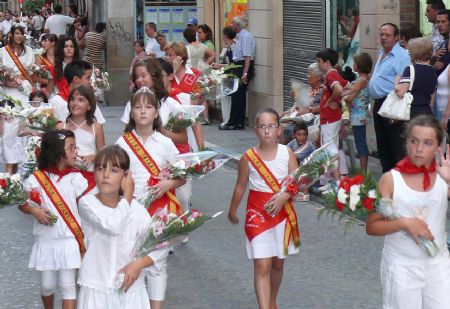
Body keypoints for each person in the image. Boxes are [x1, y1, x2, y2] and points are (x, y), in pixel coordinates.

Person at [366, 115, 450, 309]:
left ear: (438, 148)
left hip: (437, 264)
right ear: (406, 143)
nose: (419, 149)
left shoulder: (443, 177)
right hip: (401, 266)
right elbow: (372, 226)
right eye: (414, 141)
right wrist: (404, 223)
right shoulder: (390, 180)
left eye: (428, 143)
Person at [116, 89, 185, 309]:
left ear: (156, 113)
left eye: (148, 107)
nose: (143, 111)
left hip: (160, 209)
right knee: (134, 259)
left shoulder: (165, 143)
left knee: (158, 263)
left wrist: (168, 184)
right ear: (132, 113)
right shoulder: (123, 143)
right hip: (132, 209)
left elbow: (182, 175)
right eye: (138, 107)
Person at [77, 145, 168, 308]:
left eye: (114, 170)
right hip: (96, 287)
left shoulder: (138, 211)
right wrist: (127, 195)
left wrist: (138, 265)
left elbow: (160, 246)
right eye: (100, 168)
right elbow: (112, 226)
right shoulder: (88, 203)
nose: (105, 175)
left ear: (126, 176)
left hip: (131, 291)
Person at [228, 108, 300, 309]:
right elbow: (240, 185)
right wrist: (233, 209)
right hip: (257, 214)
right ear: (256, 130)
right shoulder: (248, 157)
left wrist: (284, 196)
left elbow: (297, 181)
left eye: (271, 126)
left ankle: (272, 299)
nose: (267, 131)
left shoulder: (287, 153)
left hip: (281, 214)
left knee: (277, 263)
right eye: (262, 127)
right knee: (262, 264)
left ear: (279, 130)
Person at [18, 129, 89, 309]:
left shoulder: (77, 177)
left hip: (68, 238)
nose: (76, 151)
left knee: (68, 286)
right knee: (47, 285)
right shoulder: (36, 179)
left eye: (75, 147)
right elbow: (23, 204)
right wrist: (35, 211)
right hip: (45, 239)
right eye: (71, 148)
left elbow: (87, 206)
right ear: (57, 151)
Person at [368, 22, 411, 173]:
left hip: (391, 105)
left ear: (397, 37)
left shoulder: (401, 56)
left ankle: (396, 184)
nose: (384, 38)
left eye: (388, 35)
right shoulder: (382, 52)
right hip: (379, 104)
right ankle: (387, 180)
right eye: (381, 34)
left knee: (394, 147)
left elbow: (405, 85)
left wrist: (396, 112)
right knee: (382, 146)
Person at [121, 58, 188, 149]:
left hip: (165, 156)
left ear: (155, 76)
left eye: (143, 76)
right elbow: (127, 132)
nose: (139, 80)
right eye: (136, 77)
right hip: (140, 156)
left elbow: (183, 138)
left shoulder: (172, 104)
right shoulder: (131, 103)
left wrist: (162, 131)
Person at [0, 25, 35, 175]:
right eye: (16, 33)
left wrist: (18, 80)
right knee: (8, 131)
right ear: (11, 35)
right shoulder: (2, 51)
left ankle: (21, 169)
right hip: (7, 94)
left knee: (22, 131)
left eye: (21, 33)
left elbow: (31, 72)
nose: (19, 36)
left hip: (23, 92)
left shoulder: (29, 52)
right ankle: (9, 170)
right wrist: (5, 80)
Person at [316, 48, 348, 184]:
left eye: (319, 61)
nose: (317, 64)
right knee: (331, 146)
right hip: (332, 117)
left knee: (330, 149)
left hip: (329, 117)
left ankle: (336, 180)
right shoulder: (334, 74)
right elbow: (348, 87)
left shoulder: (330, 75)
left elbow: (340, 89)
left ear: (327, 62)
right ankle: (331, 178)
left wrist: (330, 101)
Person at [56, 85, 105, 171]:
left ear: (89, 106)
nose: (75, 103)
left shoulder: (96, 127)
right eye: (72, 99)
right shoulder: (61, 127)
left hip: (89, 174)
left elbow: (104, 155)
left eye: (80, 100)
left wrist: (93, 157)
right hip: (67, 173)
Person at [220, 16, 256, 130]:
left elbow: (247, 57)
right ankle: (234, 122)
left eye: (233, 23)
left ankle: (237, 122)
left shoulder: (245, 37)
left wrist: (245, 73)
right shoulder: (239, 37)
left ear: (238, 25)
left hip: (242, 66)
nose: (231, 25)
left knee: (239, 95)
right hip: (238, 65)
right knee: (236, 95)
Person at [50, 59, 105, 125]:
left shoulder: (89, 99)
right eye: (88, 78)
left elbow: (99, 124)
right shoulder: (57, 100)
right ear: (76, 79)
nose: (90, 81)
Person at [342, 52, 372, 172]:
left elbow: (350, 97)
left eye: (355, 63)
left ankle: (363, 173)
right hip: (360, 115)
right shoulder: (365, 79)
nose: (353, 65)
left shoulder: (360, 80)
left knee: (360, 143)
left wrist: (346, 99)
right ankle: (362, 171)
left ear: (359, 66)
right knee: (360, 142)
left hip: (357, 116)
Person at [396, 37, 437, 119]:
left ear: (415, 53)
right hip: (427, 112)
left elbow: (400, 93)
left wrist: (396, 81)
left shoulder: (410, 69)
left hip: (412, 112)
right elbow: (432, 96)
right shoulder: (432, 70)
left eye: (410, 51)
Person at [213, 26, 236, 128]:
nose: (222, 36)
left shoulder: (233, 47)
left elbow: (233, 63)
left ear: (226, 35)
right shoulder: (226, 47)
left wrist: (219, 66)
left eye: (223, 34)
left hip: (230, 75)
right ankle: (225, 120)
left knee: (228, 99)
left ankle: (228, 121)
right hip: (224, 75)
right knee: (224, 98)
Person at [287, 122, 315, 202]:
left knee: (302, 168)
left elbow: (292, 156)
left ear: (307, 135)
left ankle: (305, 194)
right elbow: (285, 150)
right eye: (299, 134)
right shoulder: (293, 142)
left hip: (312, 170)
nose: (302, 137)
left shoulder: (308, 145)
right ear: (294, 135)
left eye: (304, 134)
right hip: (300, 167)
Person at [53, 36, 81, 100]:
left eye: (71, 46)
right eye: (66, 46)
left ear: (75, 49)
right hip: (60, 99)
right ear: (61, 49)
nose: (69, 49)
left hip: (77, 99)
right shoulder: (55, 68)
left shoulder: (81, 67)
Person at [431, 10, 450, 76]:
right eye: (438, 22)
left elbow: (438, 66)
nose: (439, 25)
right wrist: (434, 56)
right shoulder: (444, 43)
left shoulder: (448, 44)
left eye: (443, 22)